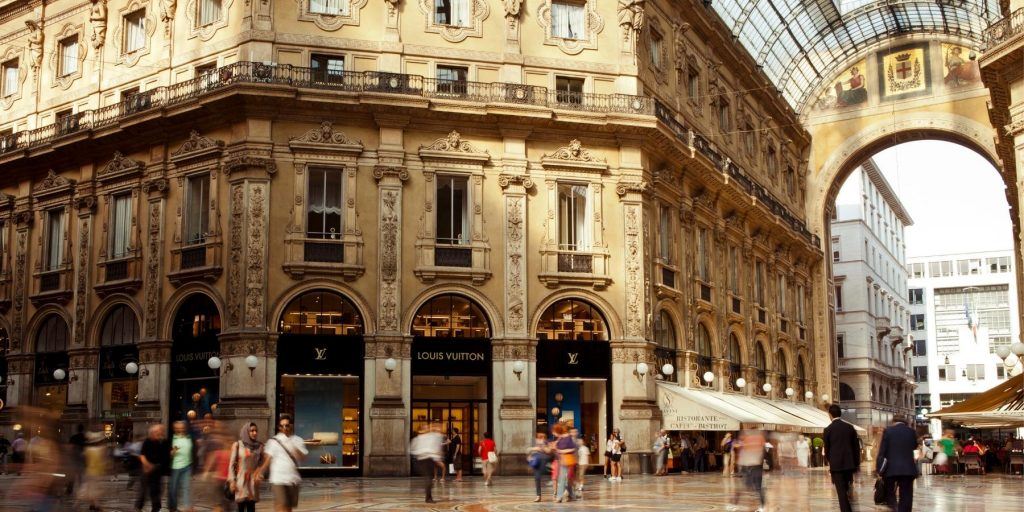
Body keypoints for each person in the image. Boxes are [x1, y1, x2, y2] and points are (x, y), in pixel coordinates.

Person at [261, 414, 308, 512]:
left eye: (287, 425)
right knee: (282, 505)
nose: (284, 428)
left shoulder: (298, 440)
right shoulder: (273, 441)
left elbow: (303, 458)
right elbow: (267, 460)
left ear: (291, 425)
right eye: (282, 426)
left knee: (288, 508)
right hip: (278, 478)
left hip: (292, 479)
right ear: (279, 427)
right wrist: (260, 472)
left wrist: (294, 448)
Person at [824, 404, 860, 512]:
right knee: (847, 489)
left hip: (836, 466)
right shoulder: (850, 427)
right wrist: (856, 464)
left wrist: (831, 461)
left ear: (830, 415)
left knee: (841, 492)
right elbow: (856, 447)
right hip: (849, 465)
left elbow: (827, 449)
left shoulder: (828, 430)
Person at [876, 417, 917, 512]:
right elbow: (914, 446)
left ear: (893, 422)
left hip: (891, 469)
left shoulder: (888, 431)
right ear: (905, 422)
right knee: (906, 494)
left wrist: (879, 469)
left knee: (890, 492)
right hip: (908, 469)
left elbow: (882, 452)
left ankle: (894, 508)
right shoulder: (911, 431)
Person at [229, 422, 264, 512]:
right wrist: (232, 481)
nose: (255, 433)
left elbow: (261, 463)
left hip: (252, 482)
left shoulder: (260, 446)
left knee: (251, 508)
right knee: (240, 508)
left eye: (256, 431)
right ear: (246, 432)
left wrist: (260, 473)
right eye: (252, 431)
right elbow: (232, 464)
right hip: (240, 481)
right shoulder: (237, 445)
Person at [135, 424, 169, 512]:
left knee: (156, 490)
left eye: (160, 431)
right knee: (143, 491)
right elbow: (142, 455)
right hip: (146, 468)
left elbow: (166, 456)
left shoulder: (164, 442)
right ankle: (139, 507)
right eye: (156, 431)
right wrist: (147, 465)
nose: (159, 433)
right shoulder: (147, 441)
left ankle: (156, 508)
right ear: (152, 433)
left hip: (157, 469)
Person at [731, 429, 767, 512]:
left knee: (746, 487)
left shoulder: (748, 439)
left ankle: (735, 505)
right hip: (753, 465)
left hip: (751, 466)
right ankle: (762, 507)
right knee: (756, 487)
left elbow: (741, 449)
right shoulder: (758, 438)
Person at [410, 423, 444, 503]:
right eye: (425, 428)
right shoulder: (418, 439)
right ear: (420, 430)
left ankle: (428, 497)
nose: (427, 429)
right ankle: (428, 498)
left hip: (430, 460)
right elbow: (413, 449)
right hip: (423, 460)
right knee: (428, 479)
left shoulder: (431, 437)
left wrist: (437, 457)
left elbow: (436, 446)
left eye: (427, 428)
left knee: (429, 479)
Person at [169, 420, 196, 512]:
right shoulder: (172, 438)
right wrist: (172, 452)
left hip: (187, 466)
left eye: (181, 427)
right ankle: (173, 508)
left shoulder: (189, 437)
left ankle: (187, 507)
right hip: (175, 467)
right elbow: (167, 454)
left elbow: (194, 451)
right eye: (177, 428)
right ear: (174, 429)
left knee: (186, 487)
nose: (179, 429)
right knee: (173, 489)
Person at [79, 431, 110, 512]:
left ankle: (92, 504)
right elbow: (103, 460)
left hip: (89, 471)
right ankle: (96, 505)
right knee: (94, 490)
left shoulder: (88, 449)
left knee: (91, 489)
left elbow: (83, 458)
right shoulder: (99, 449)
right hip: (96, 472)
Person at [553, 423, 577, 502]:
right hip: (562, 460)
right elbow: (557, 449)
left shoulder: (568, 438)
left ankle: (559, 497)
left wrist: (562, 451)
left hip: (568, 460)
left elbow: (573, 449)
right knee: (566, 479)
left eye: (555, 431)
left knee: (562, 479)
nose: (554, 433)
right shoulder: (560, 438)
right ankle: (572, 495)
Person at [528, 432, 551, 502]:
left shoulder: (547, 442)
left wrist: (543, 447)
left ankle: (556, 493)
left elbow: (549, 451)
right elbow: (528, 450)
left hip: (545, 463)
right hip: (536, 463)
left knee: (549, 477)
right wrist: (531, 452)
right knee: (537, 478)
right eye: (539, 438)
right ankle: (538, 496)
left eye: (542, 438)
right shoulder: (534, 443)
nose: (540, 439)